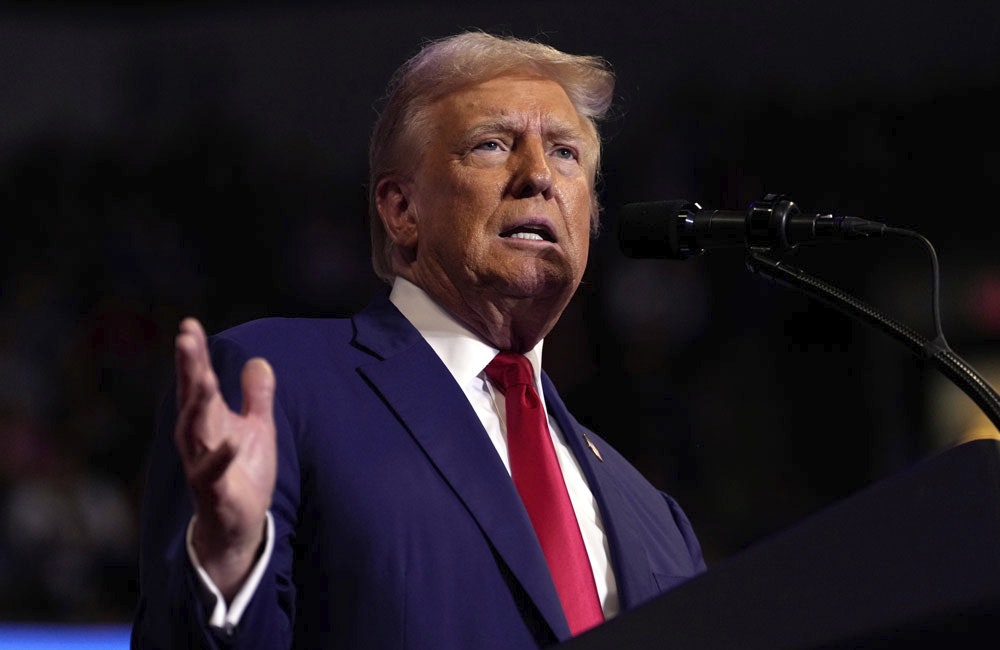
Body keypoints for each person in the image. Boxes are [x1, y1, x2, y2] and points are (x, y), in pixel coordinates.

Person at [131, 30, 705, 650]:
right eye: (492, 145)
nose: (539, 174)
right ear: (401, 209)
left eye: (566, 153)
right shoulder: (279, 388)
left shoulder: (655, 517)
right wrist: (228, 569)